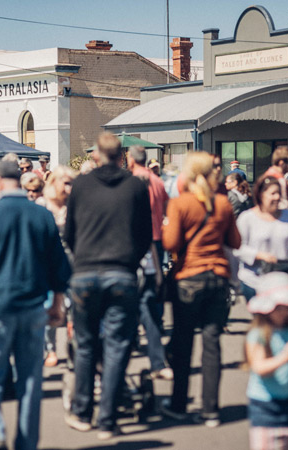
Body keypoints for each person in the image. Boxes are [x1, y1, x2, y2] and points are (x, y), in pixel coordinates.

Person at [0, 161, 71, 450]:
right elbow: (58, 263)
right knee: (30, 381)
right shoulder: (41, 215)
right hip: (34, 305)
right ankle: (27, 443)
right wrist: (58, 301)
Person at [63, 132, 151, 440]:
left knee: (86, 346)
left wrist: (82, 258)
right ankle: (108, 418)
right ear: (122, 154)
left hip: (85, 273)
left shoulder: (81, 185)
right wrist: (130, 261)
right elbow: (145, 234)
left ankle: (83, 411)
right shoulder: (136, 186)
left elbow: (70, 232)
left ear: (97, 154)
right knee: (117, 346)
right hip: (121, 273)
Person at [161, 151, 241, 427]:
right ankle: (211, 410)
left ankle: (179, 405)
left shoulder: (180, 203)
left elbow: (170, 243)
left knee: (183, 344)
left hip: (189, 279)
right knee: (212, 344)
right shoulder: (222, 203)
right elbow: (235, 241)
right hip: (218, 277)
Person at [126, 145, 171, 379]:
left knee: (132, 296)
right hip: (155, 241)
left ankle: (133, 339)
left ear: (131, 160)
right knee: (152, 292)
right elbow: (166, 209)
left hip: (133, 243)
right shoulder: (157, 181)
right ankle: (156, 331)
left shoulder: (129, 182)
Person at [245, 272, 288, 450]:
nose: (283, 312)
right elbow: (259, 368)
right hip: (264, 405)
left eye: (287, 307)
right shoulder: (258, 334)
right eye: (278, 308)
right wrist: (286, 355)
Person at [234, 176, 288, 301]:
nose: (277, 197)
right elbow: (237, 248)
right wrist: (259, 255)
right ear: (260, 195)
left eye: (279, 193)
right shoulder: (247, 218)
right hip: (254, 280)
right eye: (273, 193)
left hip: (281, 278)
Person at [36, 165, 77, 368]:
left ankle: (73, 346)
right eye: (66, 183)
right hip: (49, 262)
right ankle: (49, 350)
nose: (69, 188)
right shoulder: (42, 205)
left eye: (72, 183)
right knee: (49, 307)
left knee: (74, 308)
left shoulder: (75, 204)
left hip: (73, 261)